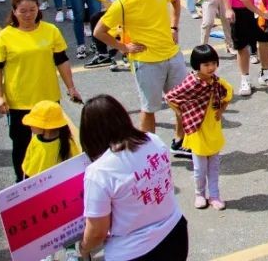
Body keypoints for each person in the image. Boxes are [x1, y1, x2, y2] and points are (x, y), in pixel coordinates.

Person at [94, 0, 190, 155]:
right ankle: (148, 152)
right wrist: (123, 47)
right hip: (146, 62)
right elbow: (99, 31)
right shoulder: (122, 4)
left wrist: (174, 27)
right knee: (149, 109)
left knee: (182, 103)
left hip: (172, 55)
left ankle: (180, 141)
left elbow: (175, 2)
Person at [80, 94, 188, 260]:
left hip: (134, 252)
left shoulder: (99, 171)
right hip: (175, 235)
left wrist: (83, 247)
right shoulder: (153, 140)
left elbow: (97, 232)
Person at [0, 0, 82, 181]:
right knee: (21, 144)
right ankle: (22, 183)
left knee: (57, 142)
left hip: (48, 100)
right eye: (23, 11)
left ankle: (57, 180)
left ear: (38, 9)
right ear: (14, 11)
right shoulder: (4, 37)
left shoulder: (50, 30)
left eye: (32, 10)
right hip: (19, 102)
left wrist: (71, 87)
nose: (28, 15)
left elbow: (61, 60)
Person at [164, 45, 232, 210]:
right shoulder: (191, 83)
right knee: (200, 169)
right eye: (206, 65)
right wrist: (182, 114)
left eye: (213, 63)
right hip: (197, 132)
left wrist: (221, 110)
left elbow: (228, 94)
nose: (211, 68)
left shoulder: (218, 82)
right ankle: (200, 194)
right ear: (197, 65)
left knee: (214, 168)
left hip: (213, 130)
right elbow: (170, 98)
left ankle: (214, 195)